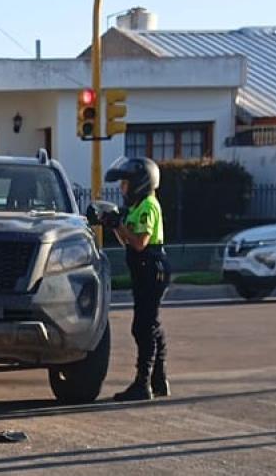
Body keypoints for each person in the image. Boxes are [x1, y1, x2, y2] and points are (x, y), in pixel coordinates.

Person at [105, 158, 172, 402]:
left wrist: (119, 225)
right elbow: (127, 239)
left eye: (125, 183)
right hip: (143, 268)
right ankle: (159, 378)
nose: (122, 188)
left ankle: (143, 383)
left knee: (143, 327)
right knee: (151, 324)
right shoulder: (137, 206)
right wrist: (113, 224)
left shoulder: (148, 206)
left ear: (140, 183)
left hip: (151, 267)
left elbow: (140, 242)